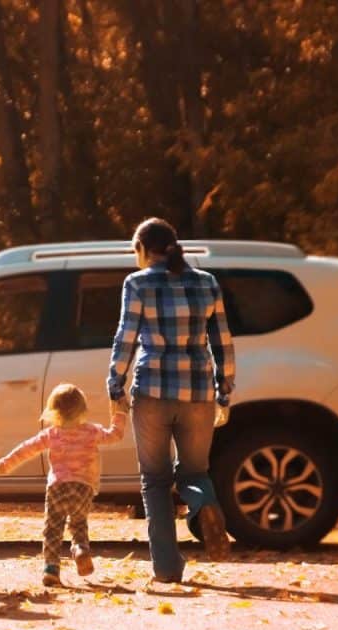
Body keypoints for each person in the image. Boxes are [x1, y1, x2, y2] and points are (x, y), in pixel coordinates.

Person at [107, 217, 235, 583]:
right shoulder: (207, 282)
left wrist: (115, 386)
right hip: (197, 392)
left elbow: (125, 338)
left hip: (152, 393)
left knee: (155, 480)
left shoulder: (137, 283)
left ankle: (166, 567)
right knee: (195, 471)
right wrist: (224, 392)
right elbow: (222, 341)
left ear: (143, 250)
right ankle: (203, 504)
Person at [0, 384, 127, 586]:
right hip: (84, 487)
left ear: (53, 411)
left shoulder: (52, 434)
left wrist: (4, 466)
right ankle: (81, 549)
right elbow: (115, 435)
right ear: (83, 410)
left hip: (58, 486)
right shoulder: (92, 431)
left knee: (53, 529)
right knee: (79, 524)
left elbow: (26, 449)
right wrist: (120, 413)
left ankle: (51, 569)